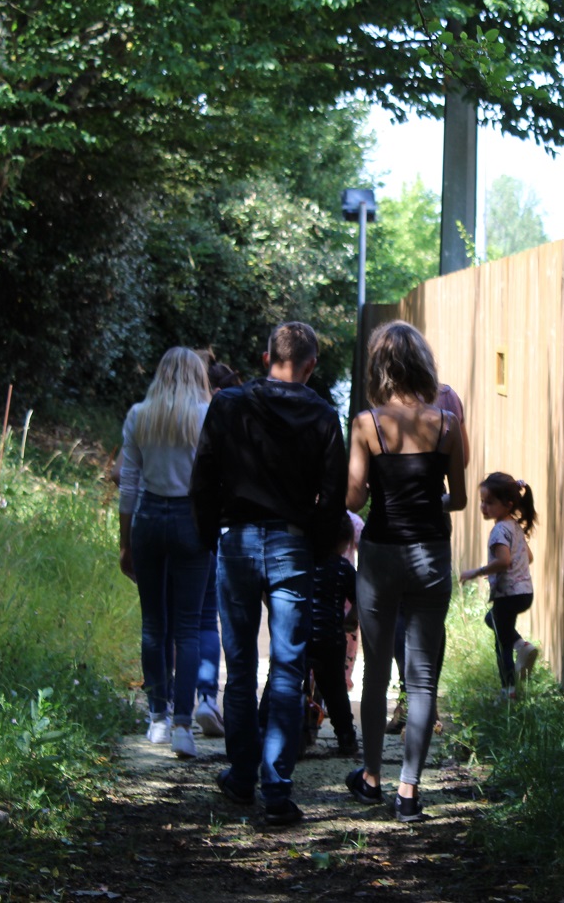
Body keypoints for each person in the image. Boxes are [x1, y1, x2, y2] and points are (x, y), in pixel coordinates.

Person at [190, 321, 347, 826]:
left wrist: (208, 534)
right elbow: (334, 498)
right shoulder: (323, 417)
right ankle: (276, 789)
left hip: (235, 540)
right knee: (287, 668)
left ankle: (240, 776)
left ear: (264, 359)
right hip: (291, 544)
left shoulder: (228, 405)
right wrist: (319, 551)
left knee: (239, 668)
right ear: (311, 367)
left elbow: (203, 475)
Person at [344, 321, 467, 822]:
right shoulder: (446, 424)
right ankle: (409, 792)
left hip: (380, 555)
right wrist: (430, 498)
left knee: (375, 673)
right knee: (421, 681)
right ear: (423, 364)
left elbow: (354, 499)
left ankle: (370, 778)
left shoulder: (366, 424)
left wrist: (375, 488)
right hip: (431, 554)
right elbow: (457, 498)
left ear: (380, 367)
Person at [118, 347, 213, 759]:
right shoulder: (207, 414)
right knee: (189, 627)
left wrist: (125, 542)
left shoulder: (141, 414)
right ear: (197, 375)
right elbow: (215, 480)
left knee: (154, 624)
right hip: (192, 518)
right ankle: (183, 727)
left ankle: (157, 717)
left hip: (150, 519)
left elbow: (128, 485)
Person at [385, 380, 468, 735]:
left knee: (399, 615)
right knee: (431, 618)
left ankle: (408, 700)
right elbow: (460, 463)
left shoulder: (388, 399)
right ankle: (425, 702)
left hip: (391, 528)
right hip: (433, 528)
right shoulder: (448, 401)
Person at [190, 351, 245, 739]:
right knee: (209, 620)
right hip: (217, 527)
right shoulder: (229, 415)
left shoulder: (157, 413)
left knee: (170, 622)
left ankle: (166, 710)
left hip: (166, 516)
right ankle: (207, 699)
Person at [459, 472, 539, 698]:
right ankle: (514, 671)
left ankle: (510, 686)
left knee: (502, 642)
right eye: (482, 502)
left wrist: (478, 571)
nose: (484, 507)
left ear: (508, 504)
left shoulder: (499, 531)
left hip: (508, 595)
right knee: (494, 624)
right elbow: (527, 557)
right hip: (523, 593)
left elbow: (504, 561)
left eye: (490, 502)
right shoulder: (514, 527)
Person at [307, 510, 361, 756]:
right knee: (336, 689)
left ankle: (270, 728)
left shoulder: (303, 562)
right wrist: (350, 620)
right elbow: (361, 598)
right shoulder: (343, 568)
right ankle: (346, 738)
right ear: (345, 541)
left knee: (284, 680)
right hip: (331, 636)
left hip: (301, 634)